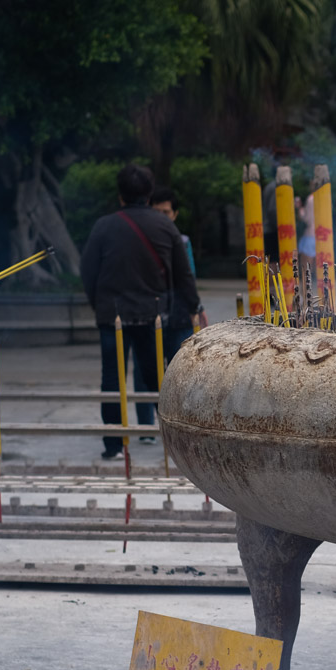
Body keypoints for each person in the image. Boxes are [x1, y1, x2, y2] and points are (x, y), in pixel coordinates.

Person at [80, 164, 202, 459]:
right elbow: (183, 274)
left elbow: (87, 271)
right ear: (148, 194)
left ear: (120, 195)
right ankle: (174, 442)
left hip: (113, 315)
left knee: (112, 377)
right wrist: (193, 306)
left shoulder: (103, 226)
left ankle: (113, 444)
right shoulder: (165, 226)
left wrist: (99, 304)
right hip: (154, 314)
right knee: (156, 377)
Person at [149, 187, 204, 362]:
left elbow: (189, 277)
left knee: (181, 366)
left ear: (175, 214)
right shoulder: (143, 241)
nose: (161, 217)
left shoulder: (183, 242)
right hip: (150, 313)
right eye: (156, 212)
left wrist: (196, 307)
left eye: (165, 212)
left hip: (179, 313)